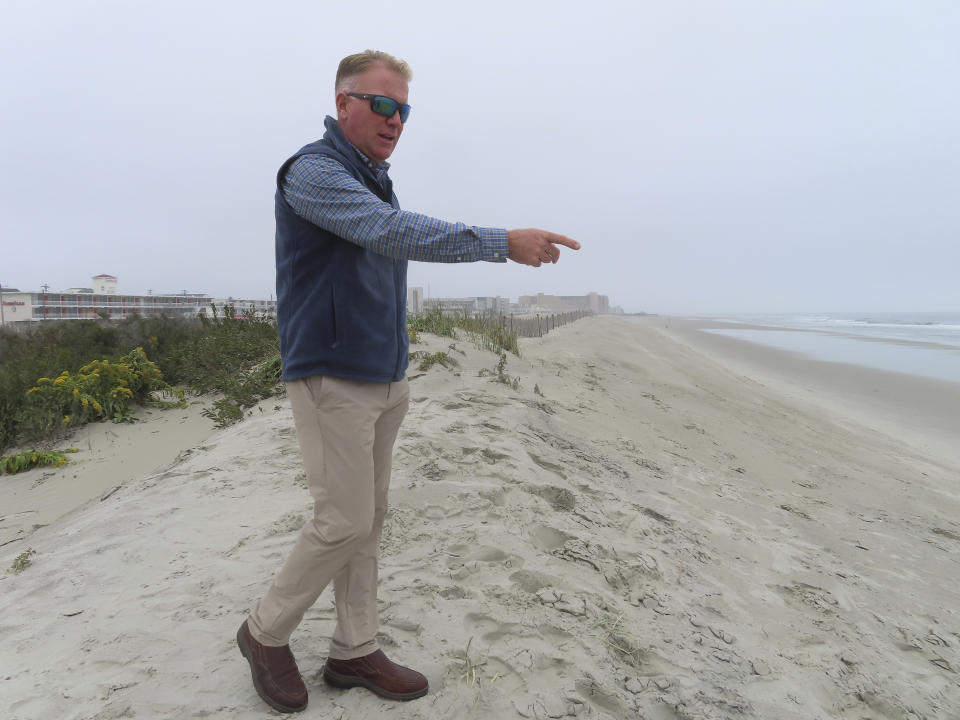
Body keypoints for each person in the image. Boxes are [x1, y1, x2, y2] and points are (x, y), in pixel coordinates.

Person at [236, 49, 580, 713]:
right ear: (344, 105)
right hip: (331, 376)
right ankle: (263, 632)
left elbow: (384, 235)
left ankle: (354, 647)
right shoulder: (312, 172)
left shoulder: (374, 177)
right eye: (382, 104)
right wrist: (500, 241)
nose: (395, 119)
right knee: (341, 521)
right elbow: (388, 232)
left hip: (384, 375)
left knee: (369, 521)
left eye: (404, 109)